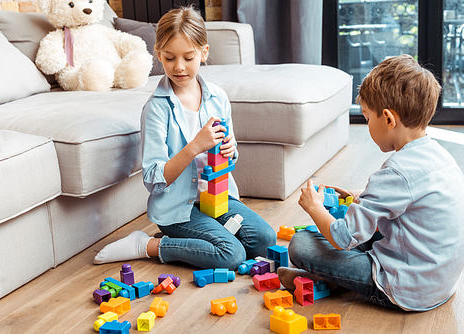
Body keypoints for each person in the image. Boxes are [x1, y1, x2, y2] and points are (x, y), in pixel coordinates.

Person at [94, 6, 276, 270]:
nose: (178, 67)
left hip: (219, 199)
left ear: (204, 53)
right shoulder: (157, 108)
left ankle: (202, 237)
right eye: (169, 58)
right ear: (159, 55)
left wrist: (230, 148)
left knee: (265, 240)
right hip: (178, 208)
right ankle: (147, 245)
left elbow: (231, 154)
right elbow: (154, 179)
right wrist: (194, 148)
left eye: (188, 57)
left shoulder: (218, 98)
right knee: (232, 255)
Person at [278, 54, 464, 311]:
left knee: (302, 244)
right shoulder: (441, 156)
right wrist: (363, 195)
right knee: (368, 229)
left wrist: (314, 207)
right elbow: (413, 200)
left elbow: (343, 238)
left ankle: (333, 280)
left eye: (367, 118)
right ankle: (333, 279)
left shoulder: (396, 172)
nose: (367, 126)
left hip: (407, 290)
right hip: (439, 282)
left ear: (388, 119)